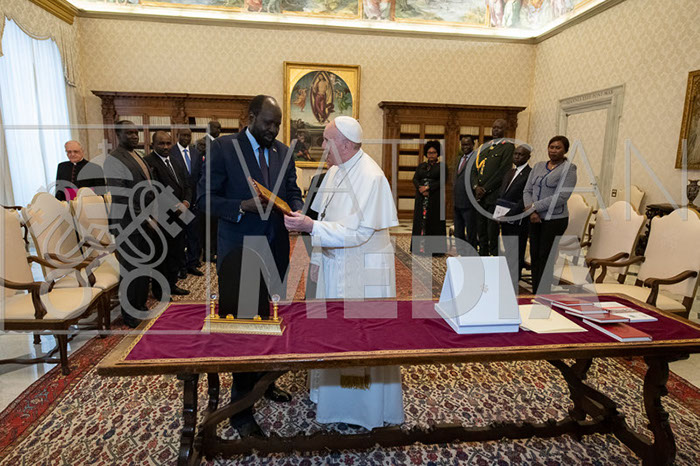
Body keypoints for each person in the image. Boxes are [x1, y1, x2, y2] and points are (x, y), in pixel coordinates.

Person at [284, 116, 404, 430]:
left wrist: (310, 227)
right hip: (334, 266)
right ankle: (332, 400)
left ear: (346, 144)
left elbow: (360, 233)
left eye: (326, 140)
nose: (322, 146)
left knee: (359, 339)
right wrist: (316, 257)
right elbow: (326, 218)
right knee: (333, 334)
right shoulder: (336, 171)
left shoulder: (371, 177)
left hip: (363, 274)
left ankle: (360, 409)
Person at [204, 95, 303, 437]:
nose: (273, 130)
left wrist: (297, 208)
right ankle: (241, 412)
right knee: (245, 328)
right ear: (250, 118)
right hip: (240, 252)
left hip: (276, 248)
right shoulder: (224, 148)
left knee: (271, 320)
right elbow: (205, 198)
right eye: (267, 123)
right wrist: (241, 206)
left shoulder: (283, 152)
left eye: (278, 124)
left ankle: (265, 382)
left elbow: (292, 189)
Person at [104, 121, 155, 328]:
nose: (134, 136)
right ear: (118, 135)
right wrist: (145, 218)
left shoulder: (137, 155)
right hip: (127, 222)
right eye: (129, 133)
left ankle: (140, 305)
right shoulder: (114, 159)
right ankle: (129, 313)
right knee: (131, 268)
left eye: (136, 133)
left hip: (144, 220)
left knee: (144, 265)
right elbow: (121, 195)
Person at [523, 135, 577, 294]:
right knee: (535, 255)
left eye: (558, 148)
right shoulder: (538, 166)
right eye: (551, 147)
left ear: (565, 150)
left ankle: (543, 293)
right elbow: (527, 190)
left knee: (545, 256)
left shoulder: (569, 169)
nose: (553, 150)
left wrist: (534, 207)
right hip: (534, 218)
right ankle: (535, 292)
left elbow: (561, 197)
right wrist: (531, 211)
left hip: (555, 220)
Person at [144, 131, 191, 298]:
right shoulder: (148, 162)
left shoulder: (176, 161)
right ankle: (160, 291)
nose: (165, 147)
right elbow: (153, 190)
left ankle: (171, 284)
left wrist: (186, 202)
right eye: (161, 143)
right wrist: (175, 206)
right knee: (162, 256)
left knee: (175, 253)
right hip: (161, 217)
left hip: (180, 215)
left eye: (168, 143)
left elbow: (187, 185)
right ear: (153, 145)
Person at [471, 119, 515, 256]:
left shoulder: (508, 147)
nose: (495, 130)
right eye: (494, 127)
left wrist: (485, 189)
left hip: (493, 196)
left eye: (499, 128)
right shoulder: (485, 147)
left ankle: (493, 258)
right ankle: (482, 256)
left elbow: (503, 171)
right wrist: (476, 186)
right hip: (479, 196)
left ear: (505, 130)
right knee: (481, 230)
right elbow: (474, 169)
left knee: (492, 231)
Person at [170, 128, 204, 277]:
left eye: (188, 136)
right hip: (178, 202)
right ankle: (181, 267)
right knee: (179, 237)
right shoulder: (170, 152)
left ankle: (192, 263)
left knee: (193, 234)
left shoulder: (196, 153)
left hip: (194, 201)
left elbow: (200, 176)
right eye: (183, 135)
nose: (186, 138)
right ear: (177, 136)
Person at [497, 144, 532, 283]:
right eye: (515, 154)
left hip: (518, 219)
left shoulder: (530, 174)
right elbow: (502, 194)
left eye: (520, 154)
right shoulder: (509, 172)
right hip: (504, 218)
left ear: (528, 157)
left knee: (517, 250)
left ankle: (514, 280)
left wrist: (509, 214)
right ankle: (507, 277)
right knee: (508, 249)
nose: (517, 157)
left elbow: (525, 198)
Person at [410, 140, 446, 254]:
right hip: (421, 198)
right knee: (420, 222)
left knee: (434, 223)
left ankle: (435, 249)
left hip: (435, 198)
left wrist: (428, 188)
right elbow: (415, 179)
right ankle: (418, 248)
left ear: (437, 153)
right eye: (429, 153)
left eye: (434, 152)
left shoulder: (442, 166)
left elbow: (442, 180)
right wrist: (420, 188)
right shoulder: (421, 166)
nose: (431, 155)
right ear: (426, 154)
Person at [198, 121, 221, 263]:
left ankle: (214, 251)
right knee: (206, 226)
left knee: (215, 225)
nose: (219, 130)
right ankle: (207, 253)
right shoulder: (202, 143)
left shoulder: (219, 143)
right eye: (217, 127)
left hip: (217, 190)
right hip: (206, 189)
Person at [453, 136, 478, 255]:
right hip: (457, 200)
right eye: (463, 145)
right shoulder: (459, 159)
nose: (465, 147)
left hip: (469, 202)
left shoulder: (476, 159)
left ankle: (471, 255)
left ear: (473, 145)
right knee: (458, 231)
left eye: (467, 144)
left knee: (471, 231)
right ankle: (461, 253)